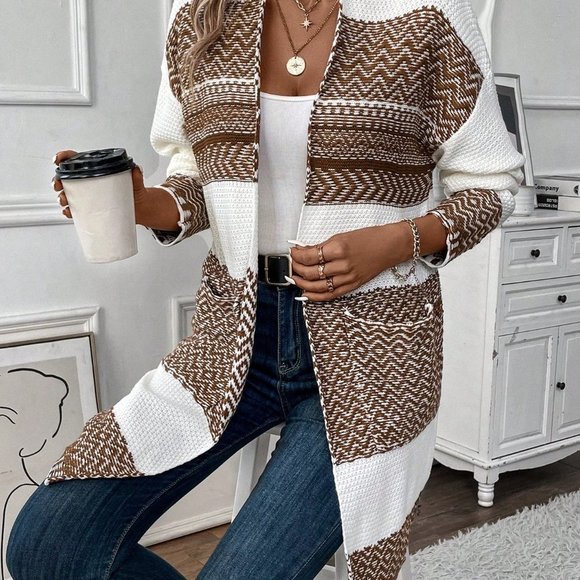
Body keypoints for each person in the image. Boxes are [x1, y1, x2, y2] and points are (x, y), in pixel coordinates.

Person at [7, 0, 525, 578]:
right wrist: (144, 203)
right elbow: (199, 178)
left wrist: (394, 241)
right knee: (46, 544)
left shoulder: (427, 15)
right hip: (232, 340)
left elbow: (493, 183)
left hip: (374, 357)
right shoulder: (202, 16)